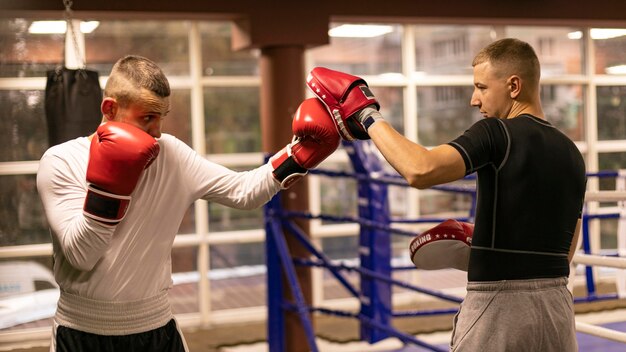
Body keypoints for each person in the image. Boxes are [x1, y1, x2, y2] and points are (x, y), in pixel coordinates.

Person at [37, 55, 340, 352]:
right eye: (147, 117)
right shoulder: (62, 161)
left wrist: (299, 154)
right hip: (81, 332)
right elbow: (81, 255)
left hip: (155, 329)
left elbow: (244, 191)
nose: (157, 131)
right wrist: (111, 185)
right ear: (109, 108)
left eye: (162, 117)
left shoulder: (171, 155)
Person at [306, 38, 587, 351]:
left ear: (514, 86)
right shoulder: (572, 153)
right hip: (557, 312)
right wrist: (490, 248)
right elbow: (567, 251)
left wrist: (367, 115)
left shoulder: (496, 132)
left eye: (481, 87)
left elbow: (420, 169)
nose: (473, 99)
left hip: (501, 310)